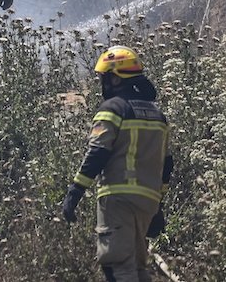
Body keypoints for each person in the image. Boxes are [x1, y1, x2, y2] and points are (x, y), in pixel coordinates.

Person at [61, 45, 173, 282]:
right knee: (138, 268)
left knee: (118, 266)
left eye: (104, 78)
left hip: (118, 198)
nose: (103, 84)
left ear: (115, 78)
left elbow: (98, 152)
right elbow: (166, 164)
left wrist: (75, 190)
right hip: (148, 202)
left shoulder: (112, 109)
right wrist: (158, 207)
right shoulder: (157, 115)